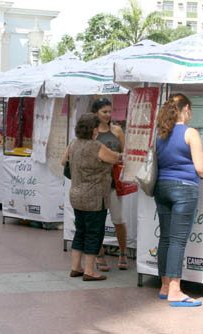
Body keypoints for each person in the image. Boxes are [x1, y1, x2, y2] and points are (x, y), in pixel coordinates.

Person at [154, 94, 203, 307]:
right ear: (186, 108)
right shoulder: (191, 133)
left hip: (162, 187)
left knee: (166, 238)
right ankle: (176, 292)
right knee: (177, 240)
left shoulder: (161, 133)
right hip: (185, 189)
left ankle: (165, 286)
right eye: (191, 110)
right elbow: (201, 167)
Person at [62, 113, 122, 281]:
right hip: (95, 198)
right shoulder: (97, 147)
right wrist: (122, 155)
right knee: (94, 233)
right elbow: (114, 158)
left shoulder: (73, 144)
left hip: (76, 195)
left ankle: (75, 267)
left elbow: (62, 161)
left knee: (80, 231)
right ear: (94, 130)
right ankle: (90, 271)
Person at [90, 97, 129, 271]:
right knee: (97, 221)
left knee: (118, 219)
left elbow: (124, 153)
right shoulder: (91, 132)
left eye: (109, 111)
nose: (107, 115)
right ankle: (99, 253)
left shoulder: (117, 130)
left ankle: (122, 253)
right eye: (104, 111)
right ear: (95, 113)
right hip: (96, 183)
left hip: (114, 182)